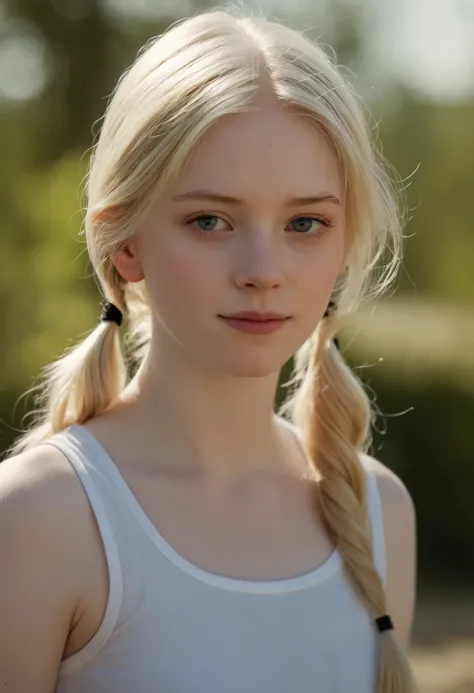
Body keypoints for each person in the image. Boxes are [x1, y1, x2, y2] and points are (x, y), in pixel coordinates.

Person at [0, 8, 418, 693]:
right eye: (210, 221)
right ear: (123, 241)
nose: (262, 269)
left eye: (305, 222)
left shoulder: (378, 515)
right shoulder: (41, 520)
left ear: (345, 242)